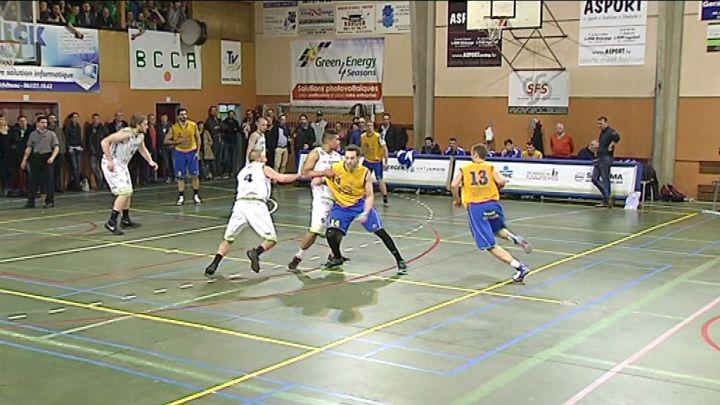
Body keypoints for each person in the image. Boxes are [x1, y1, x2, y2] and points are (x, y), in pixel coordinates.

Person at [205, 150, 324, 276]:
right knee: (271, 239)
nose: (266, 158)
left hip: (239, 205)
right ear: (258, 159)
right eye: (263, 156)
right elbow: (281, 178)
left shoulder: (242, 171)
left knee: (228, 238)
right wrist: (299, 176)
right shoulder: (263, 168)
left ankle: (214, 264)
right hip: (256, 205)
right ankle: (256, 252)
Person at [450, 143, 533, 283]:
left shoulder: (464, 169)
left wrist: (457, 200)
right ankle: (513, 238)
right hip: (493, 205)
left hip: (476, 207)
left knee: (489, 245)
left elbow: (453, 185)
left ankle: (519, 267)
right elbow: (501, 181)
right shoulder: (490, 167)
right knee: (498, 229)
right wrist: (497, 187)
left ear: (475, 155)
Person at [323, 145, 407, 274]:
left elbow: (369, 196)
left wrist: (366, 212)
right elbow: (323, 177)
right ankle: (337, 257)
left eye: (352, 158)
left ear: (358, 158)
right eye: (347, 158)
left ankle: (399, 259)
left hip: (359, 204)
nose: (349, 161)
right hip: (341, 206)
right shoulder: (336, 168)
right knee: (330, 234)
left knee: (380, 232)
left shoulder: (365, 172)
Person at [288, 131, 344, 270]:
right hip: (322, 197)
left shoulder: (338, 156)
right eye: (337, 140)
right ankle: (298, 256)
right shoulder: (316, 153)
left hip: (336, 197)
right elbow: (304, 173)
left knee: (337, 229)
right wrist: (324, 174)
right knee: (315, 229)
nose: (339, 143)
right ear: (328, 141)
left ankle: (334, 255)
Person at [100, 114, 157, 235]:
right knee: (124, 192)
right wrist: (110, 160)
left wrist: (150, 161)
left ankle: (125, 219)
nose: (147, 126)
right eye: (145, 124)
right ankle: (111, 221)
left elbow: (142, 149)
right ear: (137, 125)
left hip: (122, 164)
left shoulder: (140, 136)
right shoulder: (125, 134)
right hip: (113, 163)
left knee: (129, 192)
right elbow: (104, 142)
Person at [20, 115, 59, 209]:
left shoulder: (51, 134)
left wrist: (52, 158)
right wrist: (24, 160)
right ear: (37, 123)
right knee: (32, 181)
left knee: (49, 181)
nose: (44, 124)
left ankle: (49, 201)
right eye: (42, 122)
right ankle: (31, 201)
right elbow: (29, 147)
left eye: (46, 122)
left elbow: (56, 147)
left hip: (47, 157)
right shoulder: (33, 134)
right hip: (36, 158)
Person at [165, 108, 202, 206]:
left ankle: (196, 196)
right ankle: (181, 197)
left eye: (185, 114)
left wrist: (198, 152)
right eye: (182, 114)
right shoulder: (174, 127)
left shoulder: (193, 125)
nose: (184, 116)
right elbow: (166, 140)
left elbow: (198, 138)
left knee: (195, 175)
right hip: (180, 152)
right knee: (180, 176)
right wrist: (177, 142)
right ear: (178, 116)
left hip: (192, 151)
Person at [593, 116, 621, 208]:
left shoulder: (610, 131)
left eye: (601, 123)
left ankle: (606, 200)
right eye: (598, 124)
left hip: (606, 158)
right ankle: (607, 197)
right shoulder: (602, 133)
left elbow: (617, 137)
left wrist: (611, 145)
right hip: (599, 157)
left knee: (605, 179)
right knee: (594, 178)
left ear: (606, 123)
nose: (599, 125)